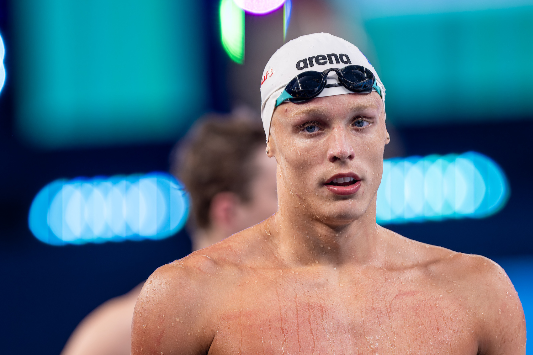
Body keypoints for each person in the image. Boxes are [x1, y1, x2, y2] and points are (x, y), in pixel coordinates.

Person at [132, 33, 527, 354]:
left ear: (385, 131)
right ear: (270, 141)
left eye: (361, 122)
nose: (342, 148)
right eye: (311, 127)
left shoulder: (477, 292)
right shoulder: (188, 298)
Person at [61, 114, 278, 355]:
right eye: (278, 194)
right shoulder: (121, 333)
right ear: (227, 213)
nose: (297, 207)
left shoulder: (300, 314)